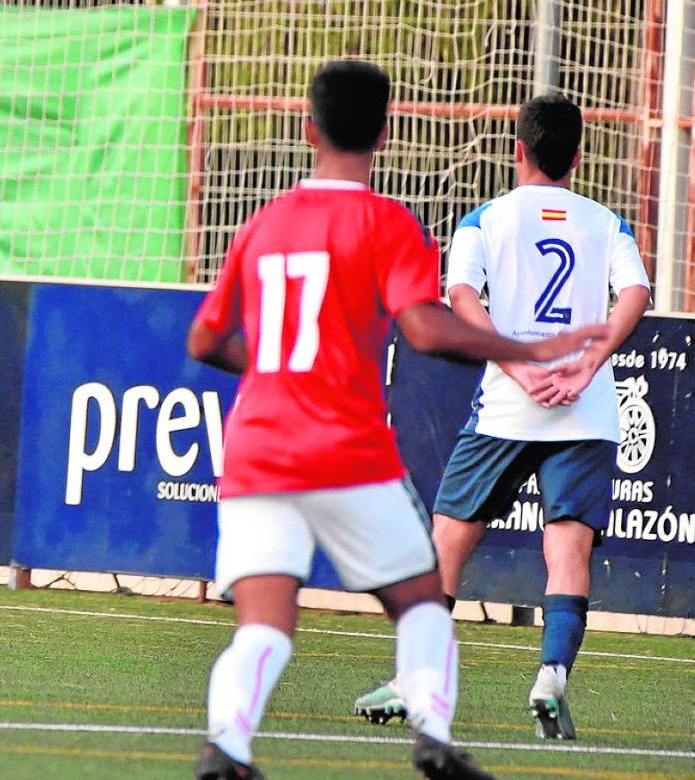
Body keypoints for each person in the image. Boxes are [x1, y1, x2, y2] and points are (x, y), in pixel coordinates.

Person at [187, 62, 607, 780]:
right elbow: (425, 329)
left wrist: (270, 367)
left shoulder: (264, 222)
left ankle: (227, 746)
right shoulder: (386, 223)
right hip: (347, 450)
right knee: (418, 602)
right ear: (384, 132)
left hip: (259, 450)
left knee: (263, 627)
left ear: (309, 129)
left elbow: (202, 340)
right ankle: (434, 739)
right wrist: (524, 346)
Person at [353, 94, 650, 740]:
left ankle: (415, 680)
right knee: (566, 548)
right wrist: (590, 360)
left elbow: (460, 295)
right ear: (579, 156)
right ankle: (550, 679)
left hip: (508, 407)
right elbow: (637, 292)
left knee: (447, 540)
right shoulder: (607, 223)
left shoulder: (483, 220)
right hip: (585, 407)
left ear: (517, 150)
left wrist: (517, 366)